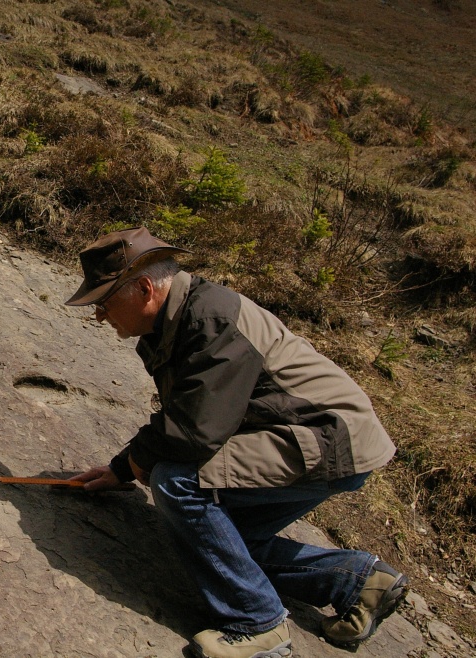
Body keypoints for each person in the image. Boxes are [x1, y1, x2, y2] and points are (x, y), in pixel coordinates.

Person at [66, 227, 408, 658]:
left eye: (104, 302)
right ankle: (355, 581)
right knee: (222, 548)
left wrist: (129, 466)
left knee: (175, 481)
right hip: (311, 435)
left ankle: (257, 622)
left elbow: (194, 431)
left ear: (146, 288)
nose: (99, 315)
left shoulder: (210, 320)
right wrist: (121, 468)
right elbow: (190, 415)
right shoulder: (172, 322)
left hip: (331, 437)